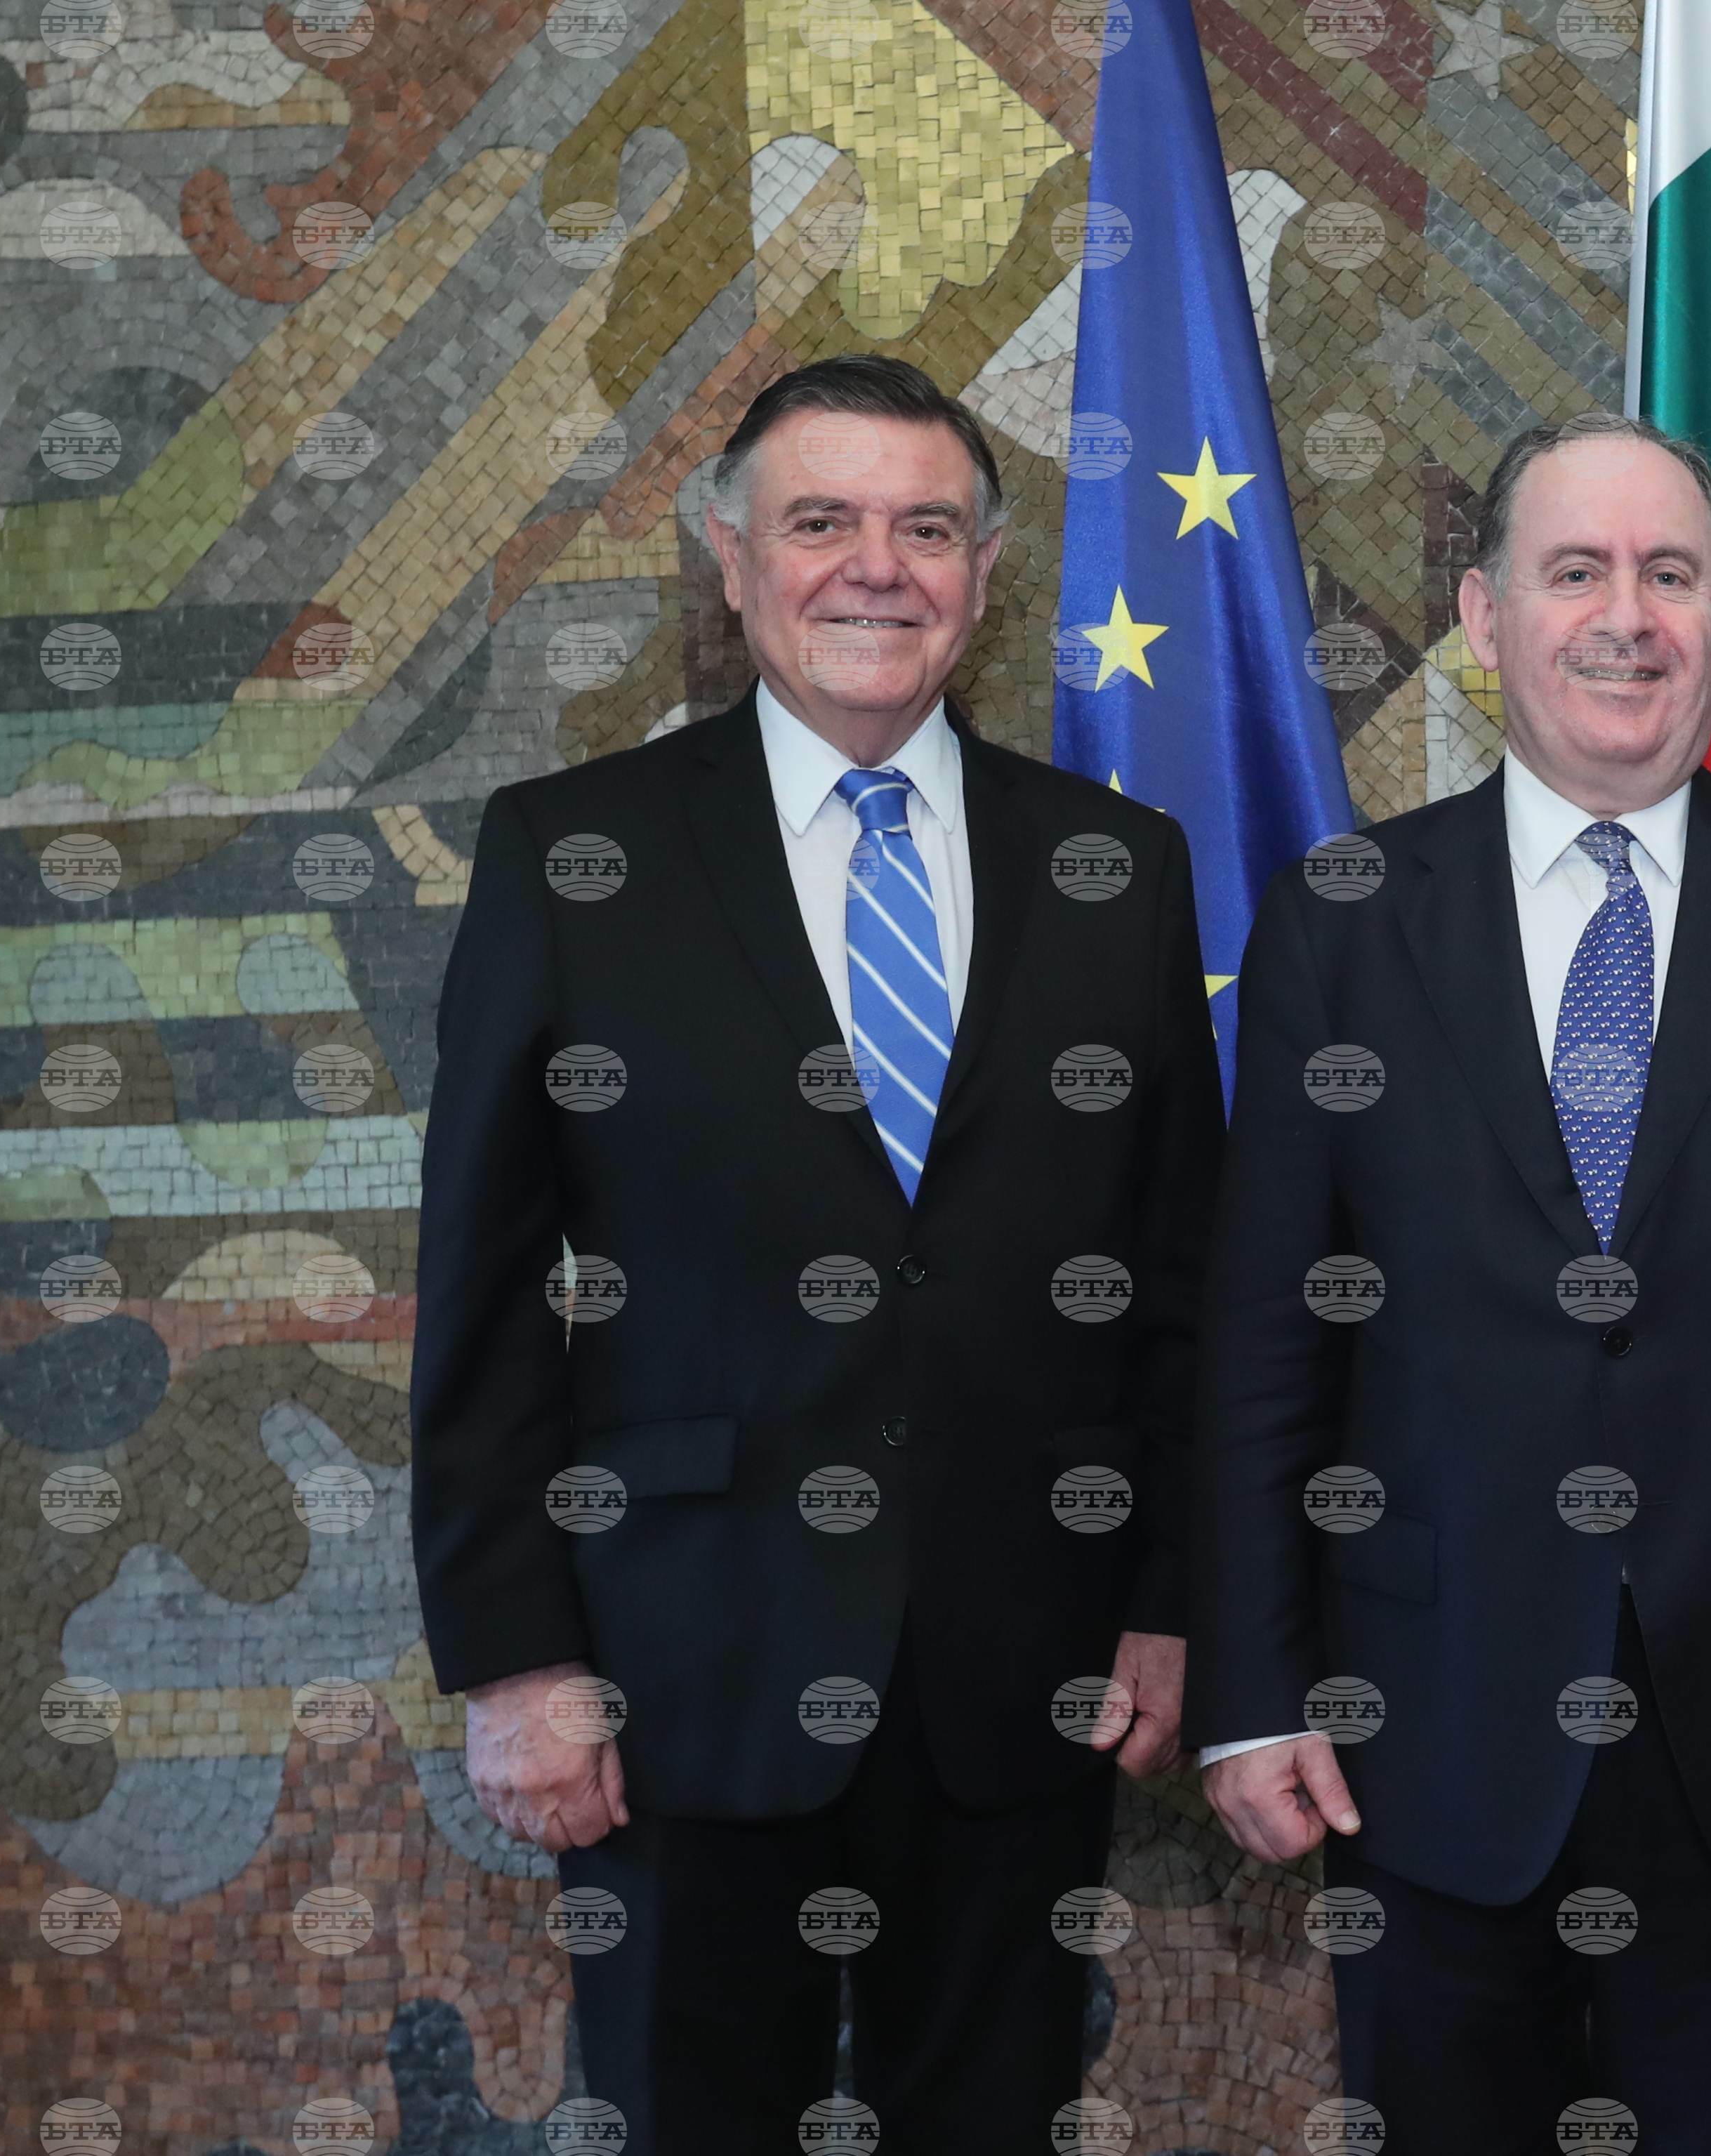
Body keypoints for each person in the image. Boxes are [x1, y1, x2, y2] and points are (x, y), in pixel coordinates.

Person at [409, 354, 1218, 2150]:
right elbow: (480, 1294)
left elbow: (1178, 1284)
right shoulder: (574, 857)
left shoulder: (1119, 868)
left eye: (925, 528)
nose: (876, 567)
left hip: (1025, 1673)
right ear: (732, 554)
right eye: (822, 521)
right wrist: (518, 1658)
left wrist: (1171, 1596)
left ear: (984, 573)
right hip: (679, 1669)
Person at [1190, 411, 1711, 2150]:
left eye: (1669, 573)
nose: (1626, 615)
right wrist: (1250, 1687)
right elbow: (1265, 1346)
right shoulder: (1343, 917)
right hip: (1421, 1729)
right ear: (1486, 616)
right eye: (1576, 571)